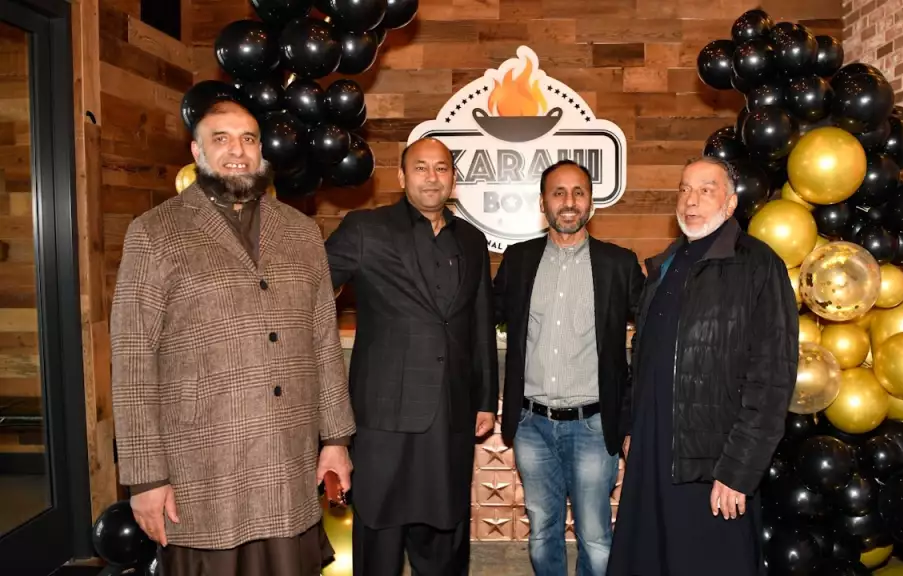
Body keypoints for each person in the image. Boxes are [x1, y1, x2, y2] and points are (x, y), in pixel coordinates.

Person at [110, 99, 356, 576]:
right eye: (220, 139)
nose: (237, 151)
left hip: (286, 461)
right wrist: (145, 479)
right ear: (197, 151)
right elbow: (133, 361)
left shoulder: (302, 232)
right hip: (203, 471)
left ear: (261, 150)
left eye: (248, 139)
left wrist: (336, 440)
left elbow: (324, 344)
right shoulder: (154, 232)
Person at [607, 156, 798, 576]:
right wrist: (631, 426)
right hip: (653, 452)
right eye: (685, 189)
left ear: (730, 204)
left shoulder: (758, 265)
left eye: (706, 191)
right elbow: (644, 354)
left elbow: (773, 378)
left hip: (713, 464)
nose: (691, 200)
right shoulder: (665, 263)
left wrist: (739, 471)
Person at [323, 137, 499, 576]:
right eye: (420, 167)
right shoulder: (366, 229)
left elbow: (479, 321)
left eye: (441, 168)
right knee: (379, 537)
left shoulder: (472, 240)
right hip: (383, 418)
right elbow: (309, 285)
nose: (431, 177)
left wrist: (484, 399)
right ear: (402, 177)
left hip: (450, 414)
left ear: (453, 179)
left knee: (445, 535)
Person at [492, 160, 644, 576]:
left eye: (579, 192)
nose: (569, 201)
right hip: (531, 426)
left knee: (596, 539)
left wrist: (632, 416)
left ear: (591, 202)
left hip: (593, 426)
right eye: (558, 192)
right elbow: (482, 316)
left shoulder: (619, 264)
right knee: (542, 533)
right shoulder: (519, 260)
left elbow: (653, 334)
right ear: (543, 202)